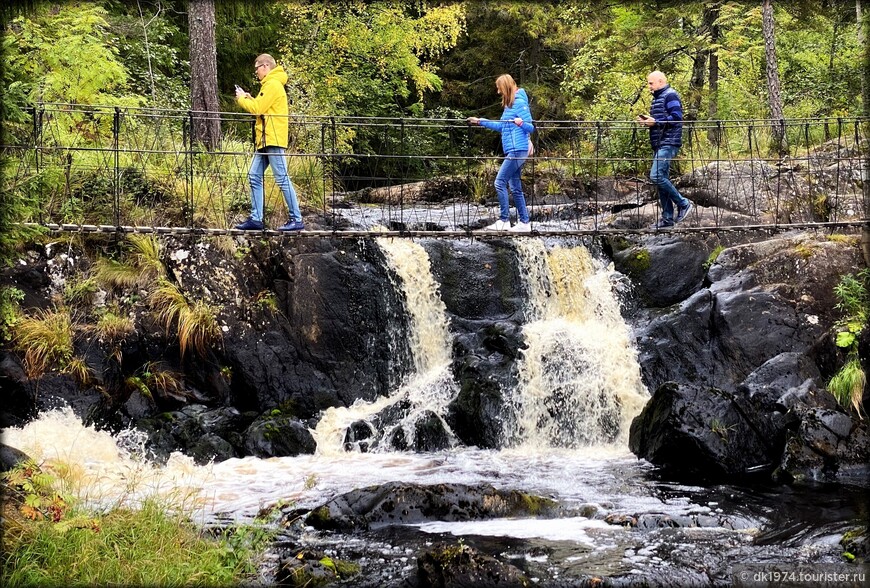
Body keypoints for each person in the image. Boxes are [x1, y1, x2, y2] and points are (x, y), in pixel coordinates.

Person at [234, 54, 304, 231]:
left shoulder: (272, 84)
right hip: (266, 140)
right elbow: (262, 106)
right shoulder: (271, 84)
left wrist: (242, 100)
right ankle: (256, 219)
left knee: (281, 178)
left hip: (272, 138)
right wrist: (249, 98)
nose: (256, 72)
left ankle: (297, 219)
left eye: (257, 68)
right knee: (254, 175)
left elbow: (257, 109)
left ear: (265, 66)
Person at [467, 74, 535, 232]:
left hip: (518, 150)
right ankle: (524, 223)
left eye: (499, 88)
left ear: (505, 87)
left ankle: (504, 220)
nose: (498, 92)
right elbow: (502, 127)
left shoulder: (519, 103)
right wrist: (480, 121)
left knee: (499, 182)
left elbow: (531, 127)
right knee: (515, 187)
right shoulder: (509, 105)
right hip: (513, 149)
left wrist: (522, 123)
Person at [636, 70, 693, 229]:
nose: (649, 87)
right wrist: (649, 121)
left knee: (656, 175)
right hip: (660, 143)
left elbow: (677, 118)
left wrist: (656, 122)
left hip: (668, 142)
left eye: (651, 83)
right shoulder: (657, 99)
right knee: (661, 179)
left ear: (660, 81)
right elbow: (660, 120)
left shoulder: (670, 95)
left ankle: (683, 204)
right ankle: (667, 218)